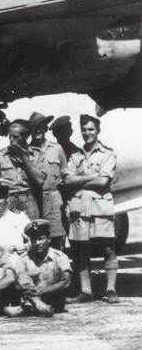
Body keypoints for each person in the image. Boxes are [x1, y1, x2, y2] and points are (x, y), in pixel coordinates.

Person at [63, 114, 118, 302]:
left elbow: (103, 182)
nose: (87, 133)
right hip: (79, 208)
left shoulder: (108, 153)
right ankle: (86, 292)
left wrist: (78, 180)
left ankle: (111, 290)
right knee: (80, 250)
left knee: (107, 248)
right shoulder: (75, 155)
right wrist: (92, 176)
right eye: (84, 130)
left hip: (100, 208)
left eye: (91, 129)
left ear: (98, 131)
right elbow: (67, 181)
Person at [0, 119, 45, 222]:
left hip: (30, 201)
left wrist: (23, 156)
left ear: (26, 136)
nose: (12, 140)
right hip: (8, 201)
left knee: (30, 229)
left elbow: (40, 180)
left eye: (16, 137)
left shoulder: (37, 154)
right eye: (10, 136)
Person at [13, 220, 71, 317]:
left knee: (52, 271)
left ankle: (30, 306)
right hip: (30, 295)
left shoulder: (59, 257)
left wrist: (43, 291)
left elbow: (66, 281)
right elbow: (17, 284)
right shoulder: (24, 259)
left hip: (54, 299)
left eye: (41, 239)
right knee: (22, 275)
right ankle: (40, 306)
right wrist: (28, 290)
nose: (37, 243)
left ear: (49, 239)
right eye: (34, 240)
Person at [27, 112, 69, 247]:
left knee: (56, 236)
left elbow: (65, 174)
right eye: (34, 128)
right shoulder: (26, 151)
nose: (38, 130)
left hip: (54, 199)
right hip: (33, 199)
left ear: (45, 128)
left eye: (41, 127)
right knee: (35, 237)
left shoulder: (57, 149)